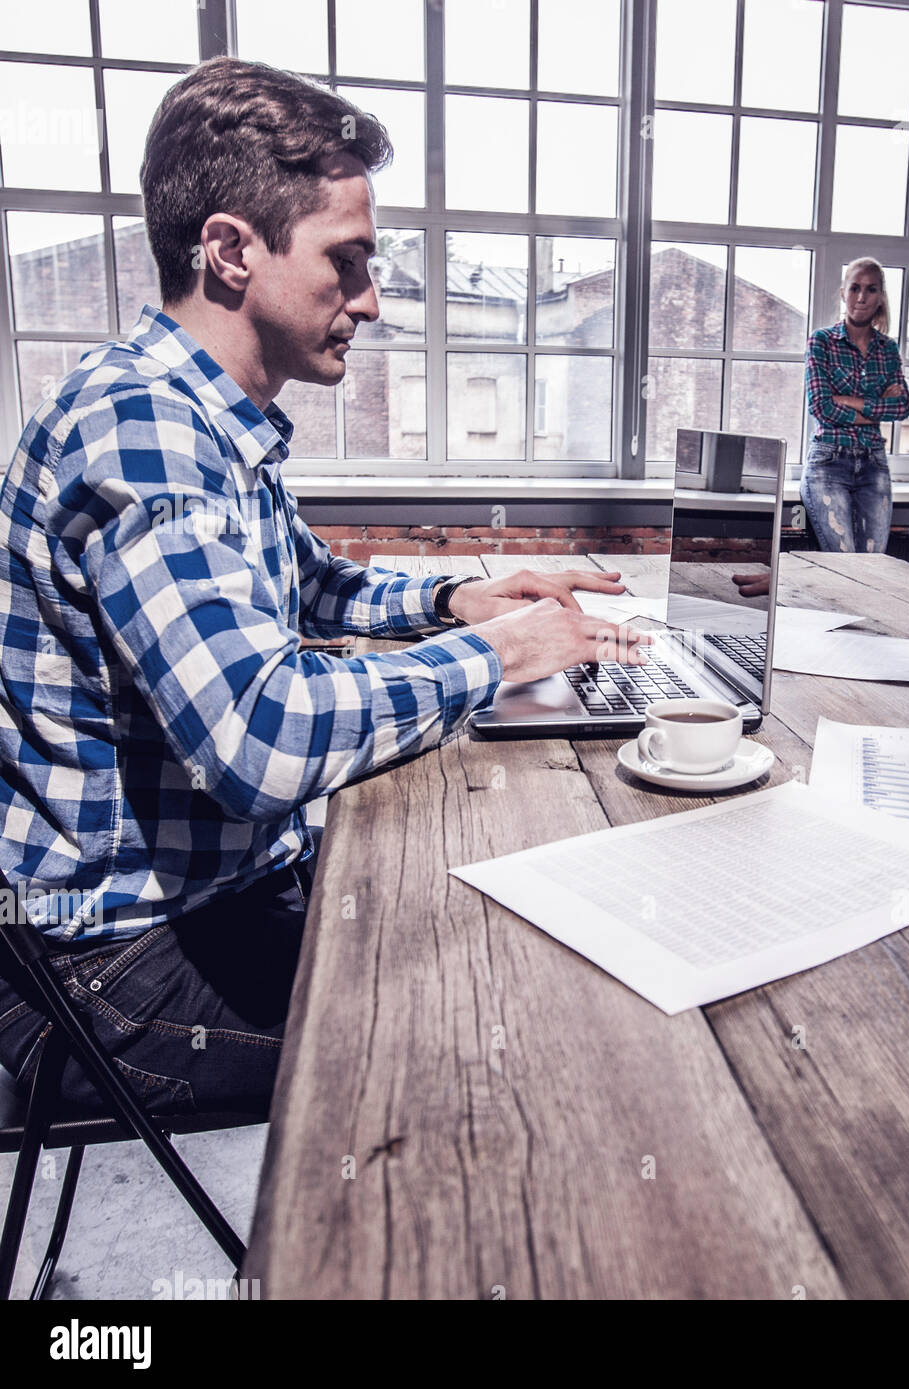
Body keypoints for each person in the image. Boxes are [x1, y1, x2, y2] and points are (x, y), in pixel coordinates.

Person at [0, 58, 649, 1117]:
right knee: (515, 1025)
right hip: (106, 974)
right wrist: (503, 656)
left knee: (506, 929)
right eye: (345, 262)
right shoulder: (142, 428)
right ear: (228, 251)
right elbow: (263, 740)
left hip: (210, 906)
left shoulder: (204, 417)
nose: (374, 300)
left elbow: (309, 583)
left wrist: (455, 606)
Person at [801, 256, 909, 552]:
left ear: (880, 296)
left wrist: (848, 400)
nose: (861, 297)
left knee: (872, 568)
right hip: (828, 463)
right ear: (843, 293)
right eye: (855, 288)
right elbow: (822, 408)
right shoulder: (822, 342)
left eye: (871, 289)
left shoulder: (887, 349)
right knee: (844, 563)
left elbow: (901, 408)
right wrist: (875, 410)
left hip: (874, 463)